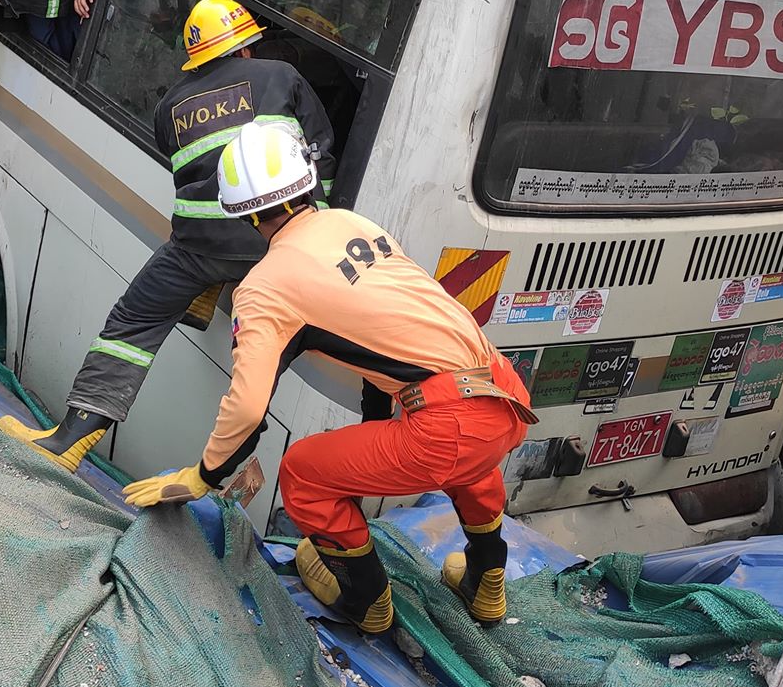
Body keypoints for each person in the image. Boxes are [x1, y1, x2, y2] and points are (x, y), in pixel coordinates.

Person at [123, 122, 537, 636]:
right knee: (470, 459)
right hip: (504, 392)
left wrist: (201, 477)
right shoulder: (349, 222)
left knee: (302, 472)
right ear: (307, 182)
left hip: (448, 426)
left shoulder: (265, 287)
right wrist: (373, 430)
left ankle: (367, 601)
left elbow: (248, 407)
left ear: (246, 214)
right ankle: (486, 579)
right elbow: (387, 331)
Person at [0, 0, 337, 470]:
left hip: (197, 247)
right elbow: (321, 151)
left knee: (132, 324)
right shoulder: (280, 75)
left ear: (196, 59)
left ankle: (68, 441)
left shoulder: (171, 104)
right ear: (245, 49)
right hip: (277, 245)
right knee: (264, 360)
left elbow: (188, 169)